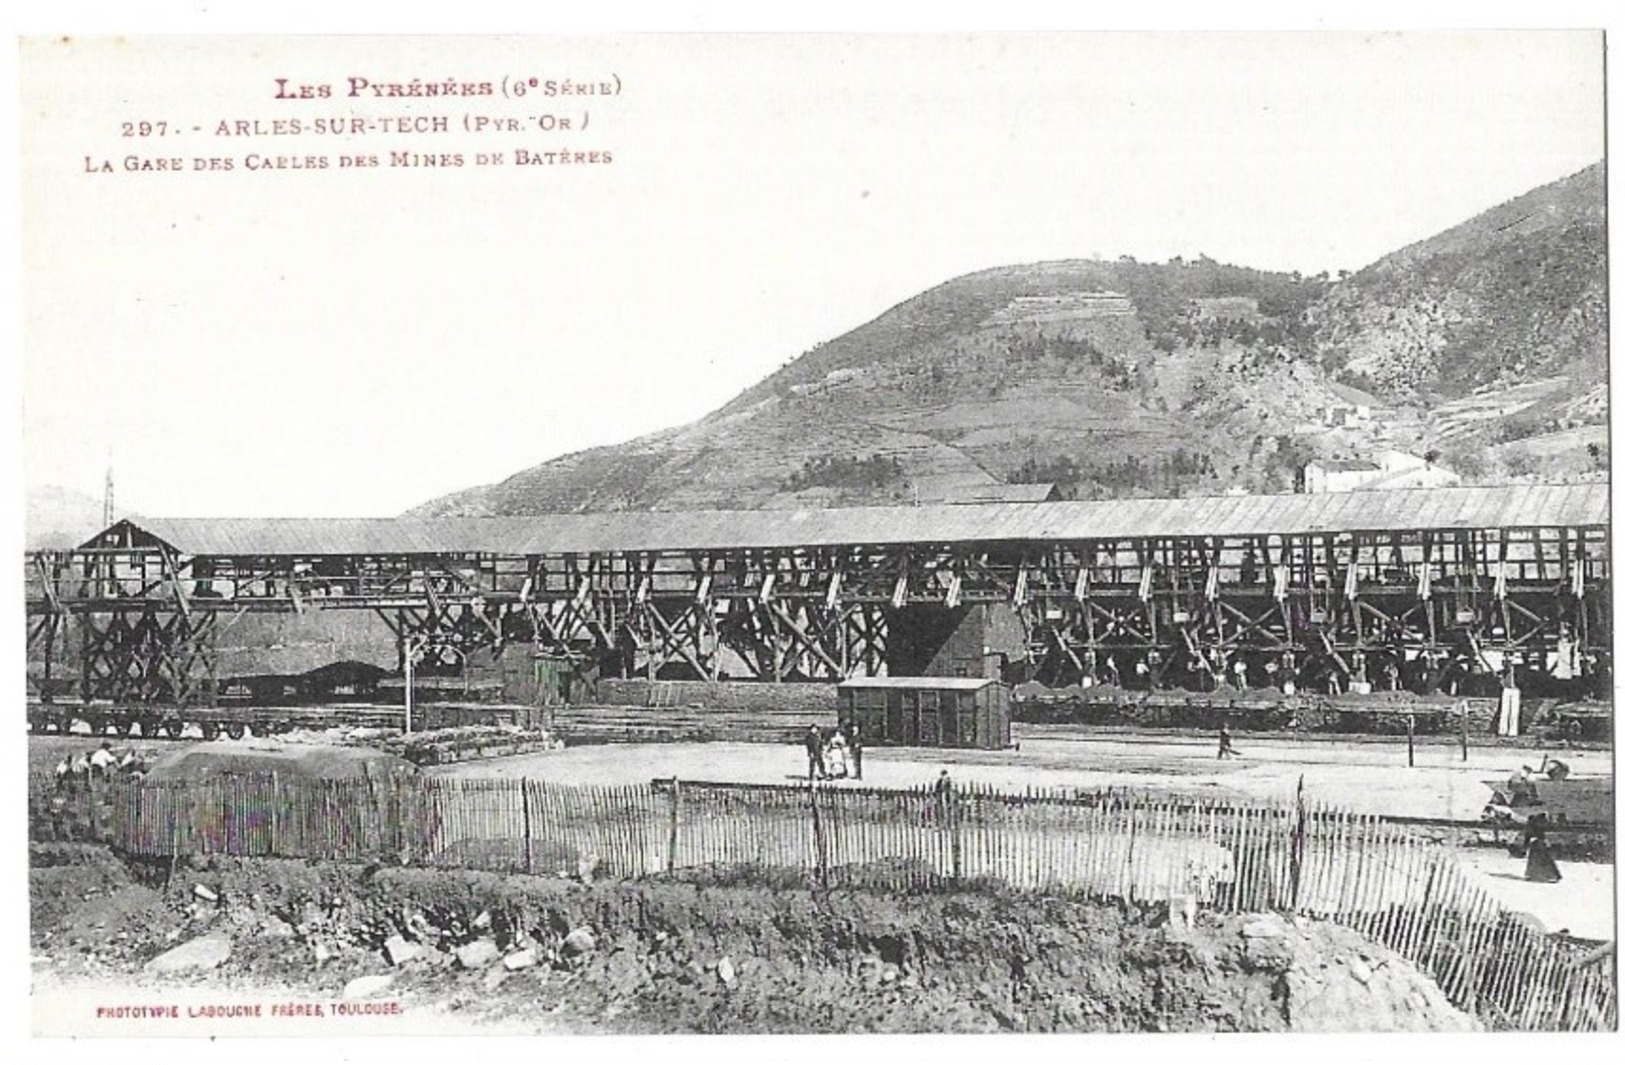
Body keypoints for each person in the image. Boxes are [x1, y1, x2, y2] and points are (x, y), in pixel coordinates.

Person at [1521, 812, 1562, 883]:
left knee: (1536, 860)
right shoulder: (1538, 824)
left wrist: (1525, 847)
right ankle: (1551, 875)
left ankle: (1535, 875)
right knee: (1545, 859)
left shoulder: (1532, 825)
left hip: (1536, 844)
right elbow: (1541, 834)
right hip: (1539, 843)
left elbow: (1528, 837)